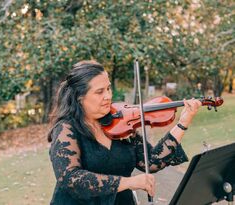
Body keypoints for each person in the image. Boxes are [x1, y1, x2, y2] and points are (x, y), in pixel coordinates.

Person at [47, 60, 201, 205]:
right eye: (99, 92)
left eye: (108, 88)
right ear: (79, 97)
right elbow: (70, 179)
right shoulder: (66, 129)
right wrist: (129, 182)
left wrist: (183, 123)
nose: (108, 96)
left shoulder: (121, 124)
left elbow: (152, 161)